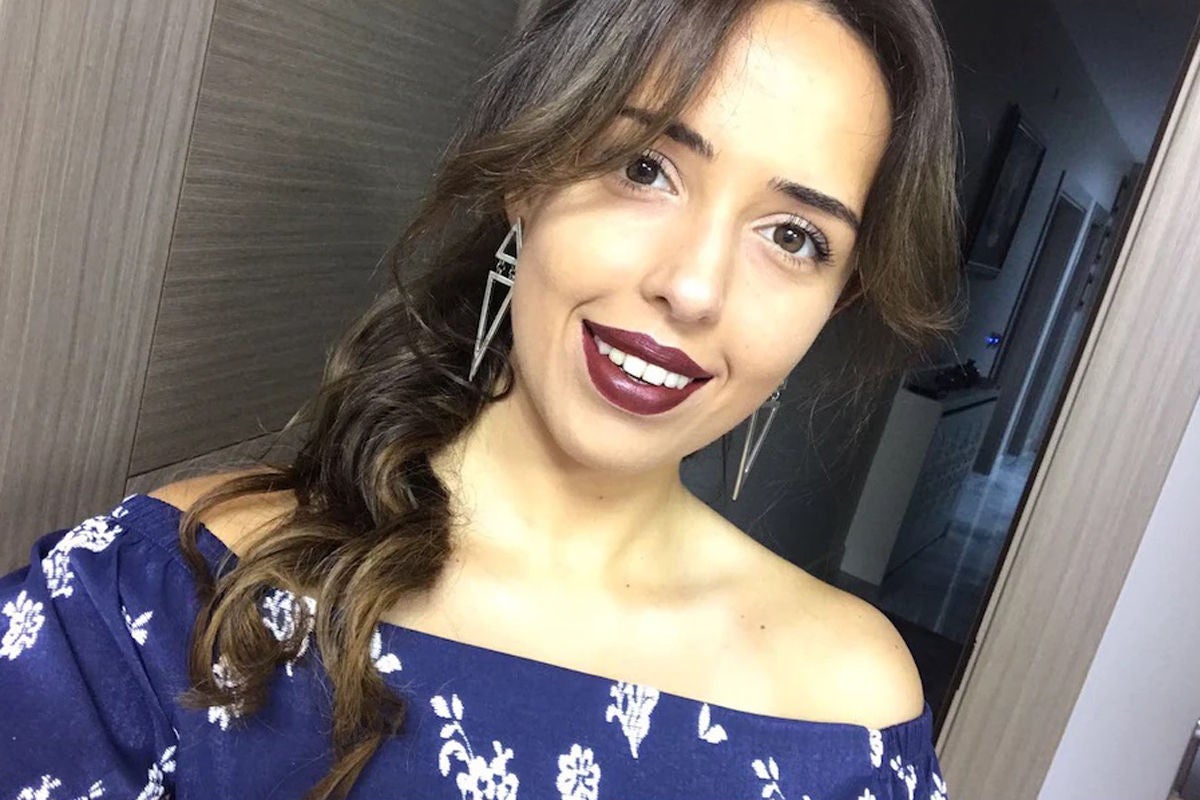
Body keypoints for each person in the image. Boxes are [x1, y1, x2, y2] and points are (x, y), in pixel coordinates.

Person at [0, 0, 966, 797]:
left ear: (834, 301)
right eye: (645, 167)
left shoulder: (852, 713)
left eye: (793, 236)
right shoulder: (163, 602)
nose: (694, 287)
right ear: (527, 175)